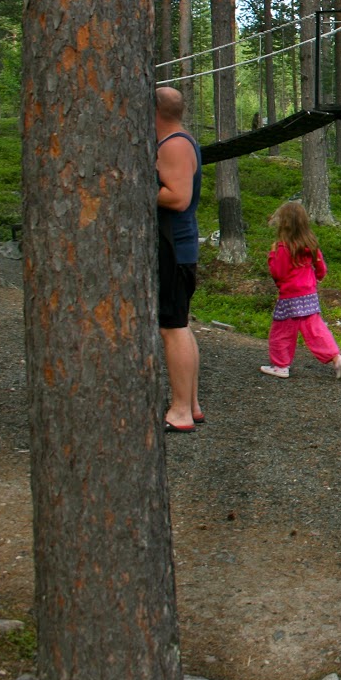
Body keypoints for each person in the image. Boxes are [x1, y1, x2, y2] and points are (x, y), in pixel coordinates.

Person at [156, 86, 203, 432]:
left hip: (174, 249)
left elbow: (178, 197)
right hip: (177, 249)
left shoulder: (173, 143)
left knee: (172, 328)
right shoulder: (176, 140)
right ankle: (192, 404)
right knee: (179, 325)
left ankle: (181, 411)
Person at [259, 201, 341, 380]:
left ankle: (280, 366)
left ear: (283, 223)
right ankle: (337, 358)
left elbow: (279, 272)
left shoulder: (283, 247)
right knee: (316, 329)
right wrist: (319, 277)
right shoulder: (310, 244)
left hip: (290, 297)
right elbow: (321, 266)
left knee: (282, 331)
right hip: (309, 294)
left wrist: (272, 256)